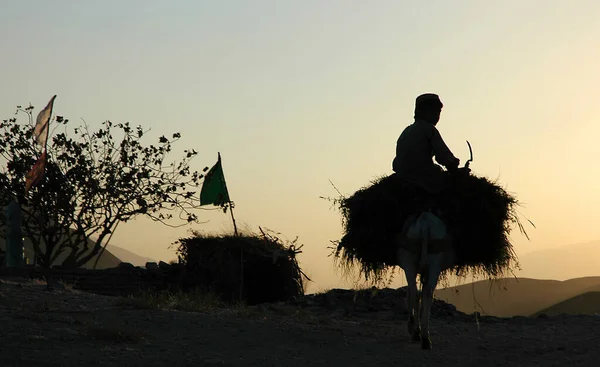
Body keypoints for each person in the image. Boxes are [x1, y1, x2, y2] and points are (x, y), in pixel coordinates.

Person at [392, 93, 464, 196]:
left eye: (438, 112)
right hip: (424, 179)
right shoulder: (429, 129)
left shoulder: (405, 132)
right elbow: (444, 156)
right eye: (433, 111)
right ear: (420, 112)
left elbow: (397, 162)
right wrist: (456, 170)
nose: (436, 115)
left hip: (403, 176)